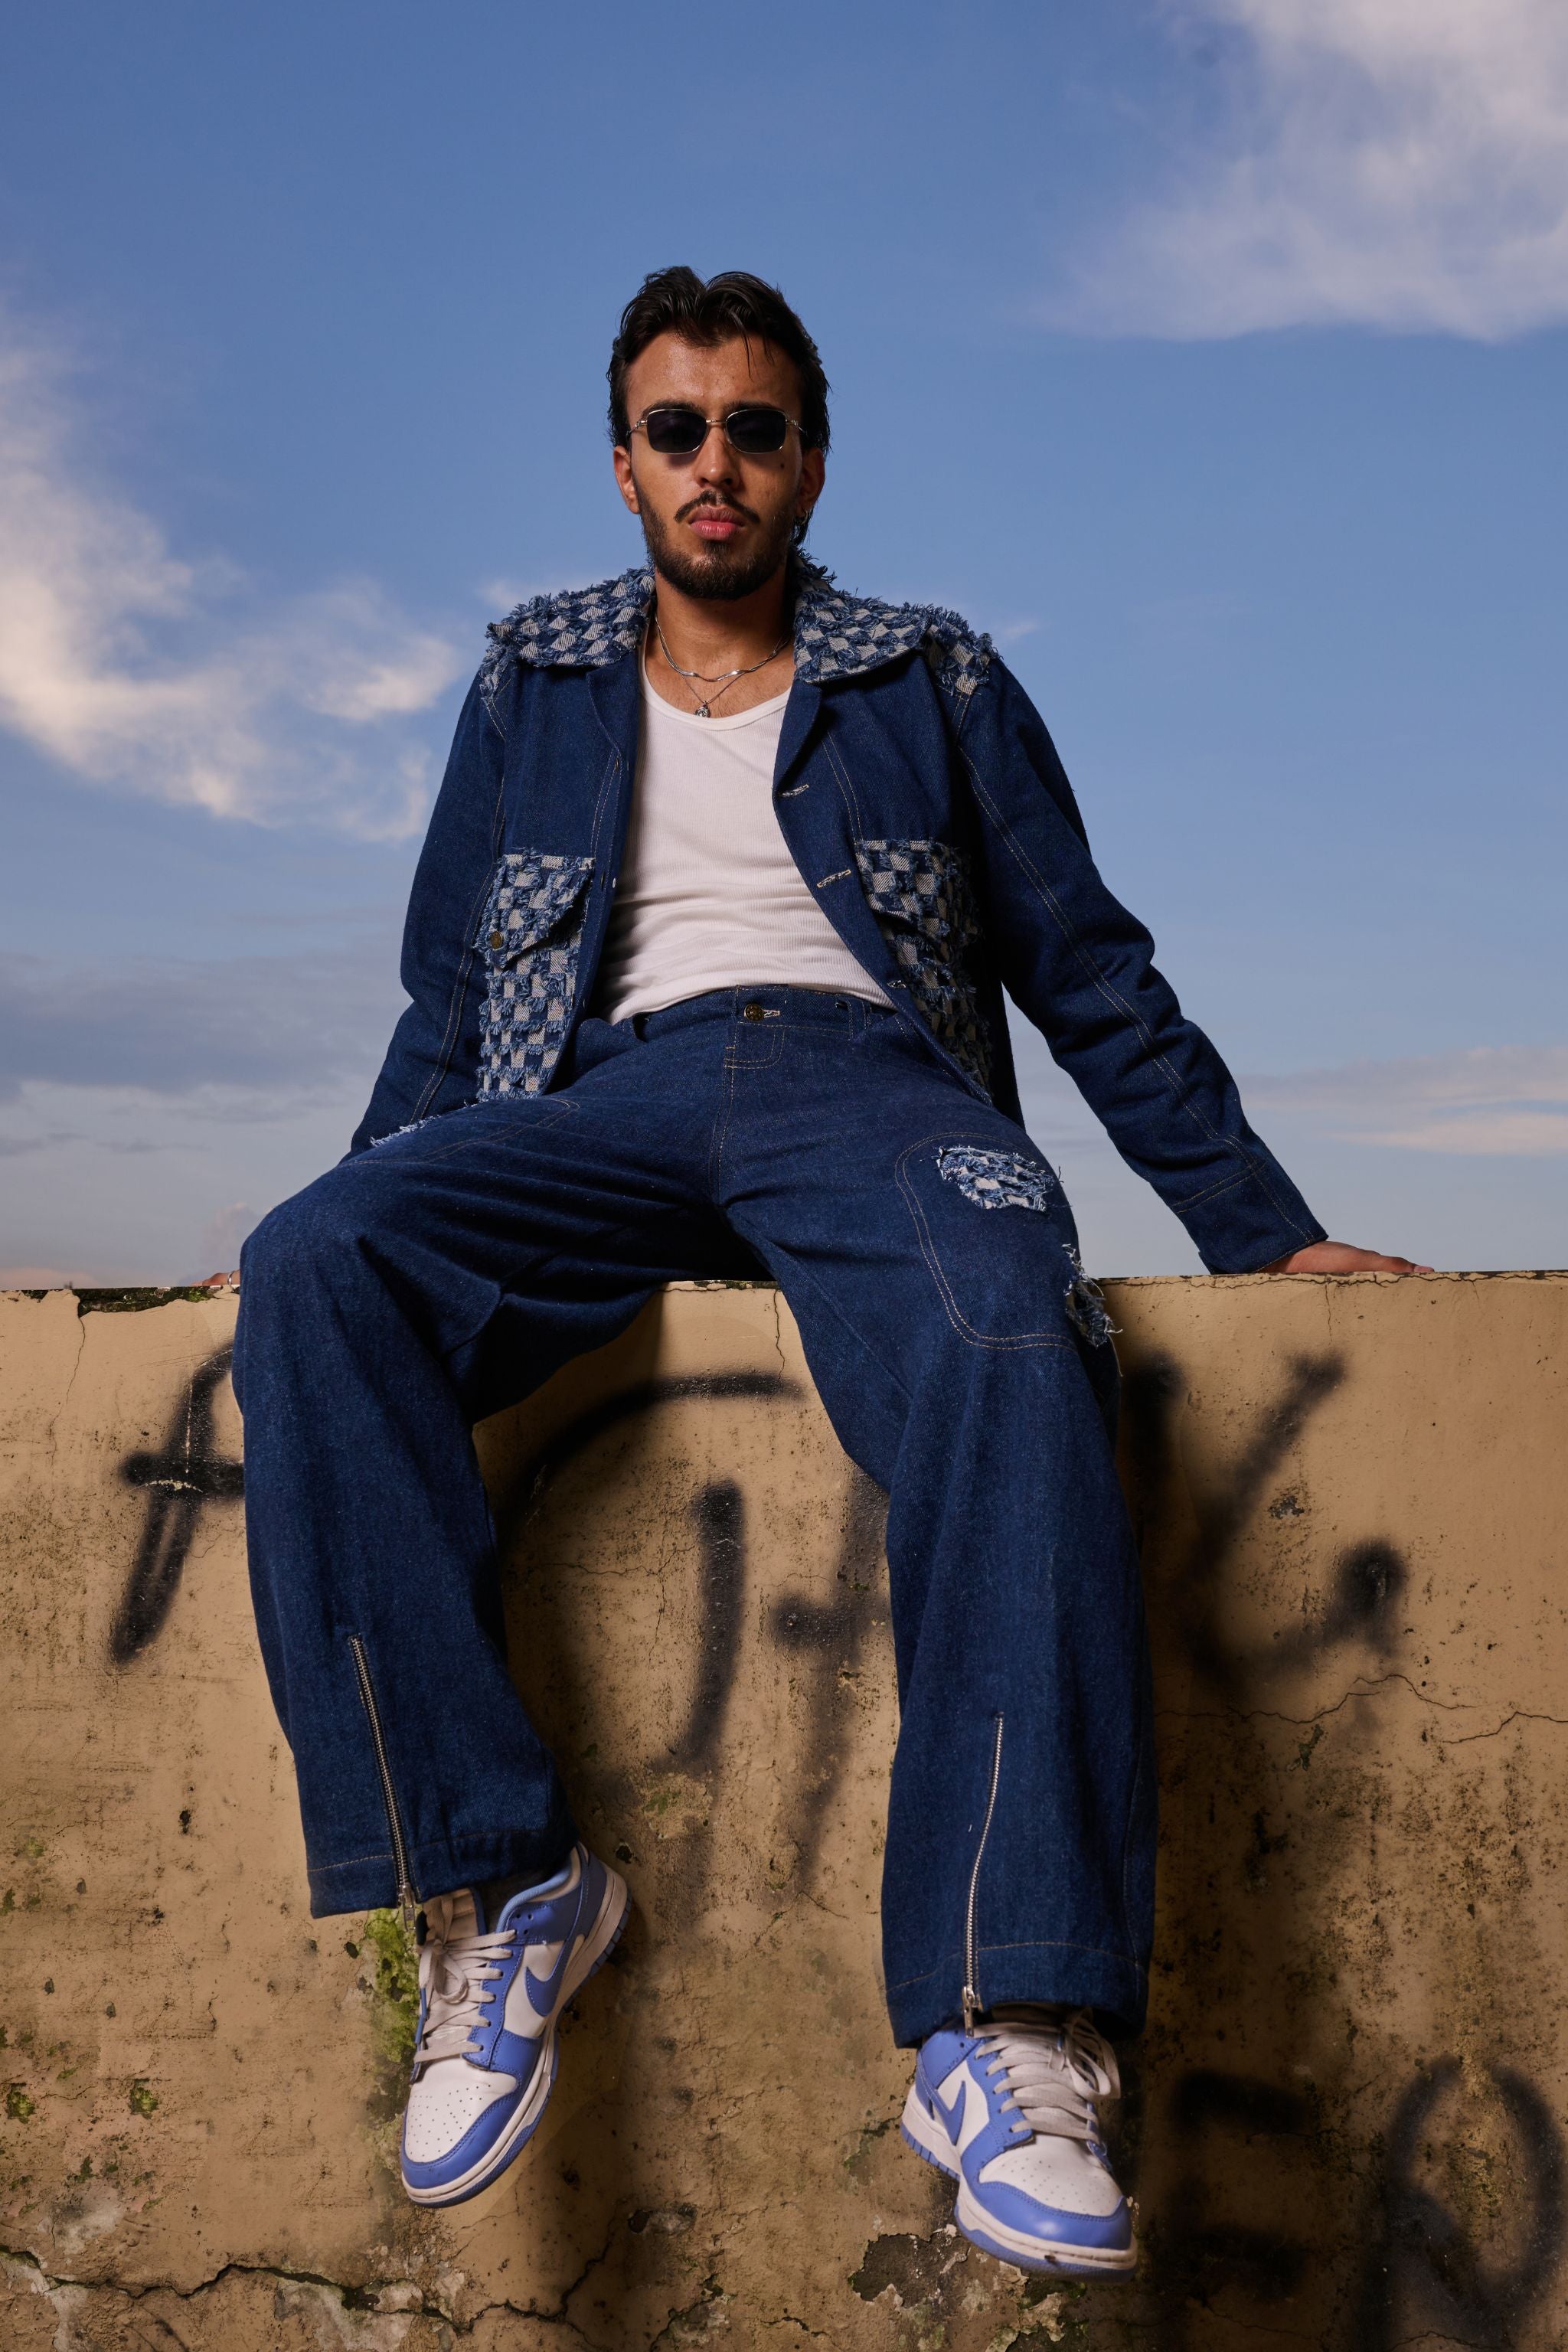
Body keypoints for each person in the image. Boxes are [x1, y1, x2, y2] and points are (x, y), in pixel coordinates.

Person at [231, 266, 1429, 2275]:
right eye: (677, 429)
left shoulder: (929, 676)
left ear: (810, 458)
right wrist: (368, 1198)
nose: (716, 462)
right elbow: (451, 1010)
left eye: (755, 428)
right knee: (313, 1260)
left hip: (874, 1089)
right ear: (624, 464)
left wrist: (1264, 1230)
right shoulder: (532, 680)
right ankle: (505, 1887)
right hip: (601, 1099)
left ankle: (1002, 2022)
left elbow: (1090, 977)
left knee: (1010, 1325)